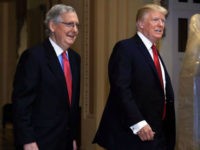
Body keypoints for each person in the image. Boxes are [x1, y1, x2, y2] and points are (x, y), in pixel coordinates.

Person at [93, 3, 175, 150]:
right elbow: (121, 89)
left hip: (158, 134)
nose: (161, 24)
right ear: (140, 24)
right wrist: (139, 123)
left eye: (163, 21)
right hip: (133, 135)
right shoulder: (125, 48)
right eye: (156, 20)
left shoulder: (155, 53)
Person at [12, 4, 81, 150]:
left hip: (66, 142)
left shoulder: (75, 59)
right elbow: (21, 103)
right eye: (69, 24)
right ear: (52, 25)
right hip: (39, 142)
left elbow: (71, 105)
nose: (75, 30)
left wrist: (73, 137)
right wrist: (27, 140)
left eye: (76, 25)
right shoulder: (34, 57)